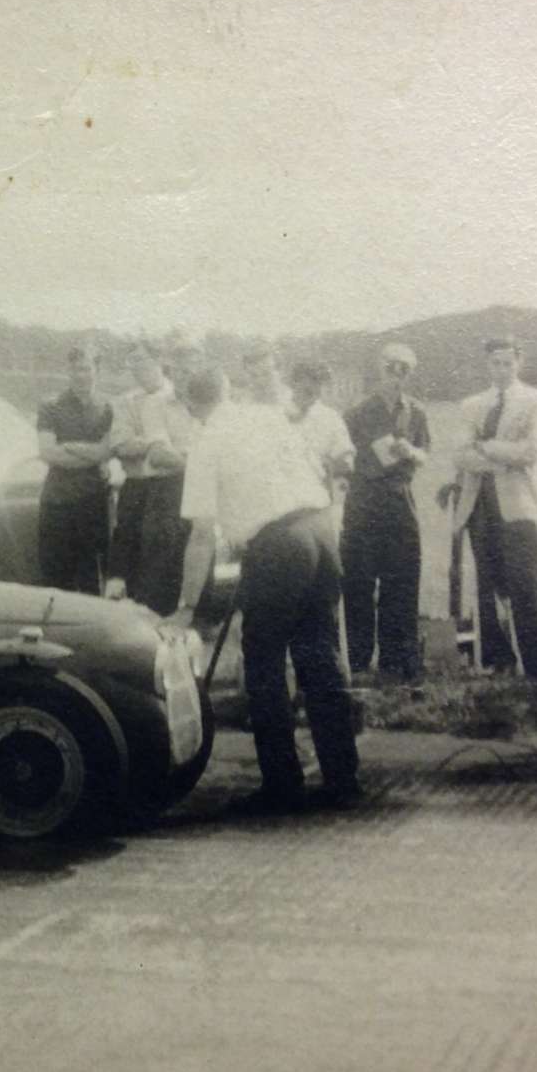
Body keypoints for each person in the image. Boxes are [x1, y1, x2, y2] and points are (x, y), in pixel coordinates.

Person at [178, 365, 361, 816]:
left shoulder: (206, 440)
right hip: (319, 529)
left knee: (263, 665)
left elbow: (201, 535)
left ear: (192, 406)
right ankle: (342, 779)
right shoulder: (267, 415)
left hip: (279, 543)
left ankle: (282, 786)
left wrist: (186, 607)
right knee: (320, 655)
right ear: (227, 390)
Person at [450, 337, 537, 676]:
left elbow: (531, 452)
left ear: (518, 363)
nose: (502, 370)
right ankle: (499, 661)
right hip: (479, 504)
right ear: (487, 365)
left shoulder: (536, 400)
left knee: (526, 582)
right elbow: (460, 455)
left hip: (519, 504)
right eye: (495, 363)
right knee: (487, 585)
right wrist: (501, 459)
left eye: (508, 363)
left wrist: (486, 447)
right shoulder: (471, 405)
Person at [340, 343, 432, 680]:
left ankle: (396, 657)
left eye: (404, 370)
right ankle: (358, 657)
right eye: (391, 368)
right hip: (364, 501)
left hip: (399, 499)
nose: (396, 376)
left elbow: (425, 453)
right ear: (379, 370)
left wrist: (411, 452)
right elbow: (348, 458)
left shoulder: (417, 412)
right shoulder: (357, 413)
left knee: (402, 578)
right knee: (359, 580)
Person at [106, 338, 196, 613]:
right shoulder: (126, 401)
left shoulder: (182, 394)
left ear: (160, 361)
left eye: (142, 360)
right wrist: (155, 446)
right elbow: (121, 446)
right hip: (138, 488)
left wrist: (146, 444)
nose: (137, 368)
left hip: (177, 487)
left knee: (180, 554)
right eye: (132, 362)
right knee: (136, 561)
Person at [34, 343, 114, 594]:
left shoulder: (108, 408)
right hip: (57, 503)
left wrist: (69, 447)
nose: (81, 375)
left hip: (94, 504)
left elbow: (107, 451)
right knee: (55, 582)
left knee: (92, 581)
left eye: (87, 369)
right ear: (68, 371)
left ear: (97, 370)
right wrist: (93, 455)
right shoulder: (50, 406)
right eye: (76, 369)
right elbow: (48, 452)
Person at [285, 361, 355, 510]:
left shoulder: (330, 417)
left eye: (319, 384)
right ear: (293, 383)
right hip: (283, 502)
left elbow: (346, 461)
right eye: (308, 389)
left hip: (318, 500)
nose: (314, 393)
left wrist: (325, 465)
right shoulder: (276, 415)